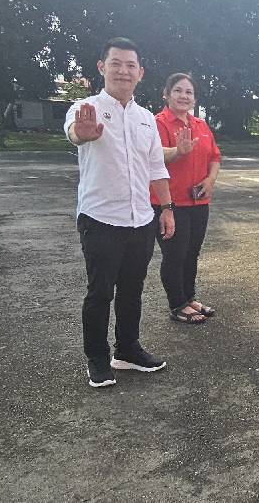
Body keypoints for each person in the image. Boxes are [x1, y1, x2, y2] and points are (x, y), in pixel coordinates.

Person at [65, 37, 176, 388]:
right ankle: (97, 358)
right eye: (116, 63)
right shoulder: (86, 107)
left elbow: (157, 168)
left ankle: (127, 350)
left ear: (140, 73)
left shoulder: (145, 119)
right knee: (100, 292)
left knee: (132, 289)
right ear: (102, 67)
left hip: (141, 219)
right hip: (100, 220)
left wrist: (167, 209)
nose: (123, 70)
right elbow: (74, 133)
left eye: (131, 65)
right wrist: (80, 134)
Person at [154, 73, 221, 324]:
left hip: (199, 202)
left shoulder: (201, 126)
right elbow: (154, 156)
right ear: (166, 94)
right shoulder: (158, 123)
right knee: (175, 254)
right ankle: (177, 304)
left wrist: (210, 180)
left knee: (192, 252)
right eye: (178, 91)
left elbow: (215, 156)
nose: (184, 96)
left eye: (189, 92)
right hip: (170, 203)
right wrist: (177, 152)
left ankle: (189, 297)